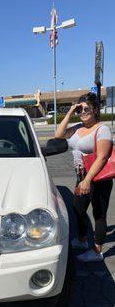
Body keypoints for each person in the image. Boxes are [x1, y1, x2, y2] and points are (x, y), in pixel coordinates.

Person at [55, 92, 113, 262]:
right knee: (78, 209)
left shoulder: (103, 129)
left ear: (95, 110)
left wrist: (88, 180)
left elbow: (102, 157)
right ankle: (82, 240)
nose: (83, 112)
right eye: (80, 109)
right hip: (81, 176)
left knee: (99, 214)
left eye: (87, 108)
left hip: (98, 179)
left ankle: (97, 251)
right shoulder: (78, 127)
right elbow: (59, 135)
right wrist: (69, 112)